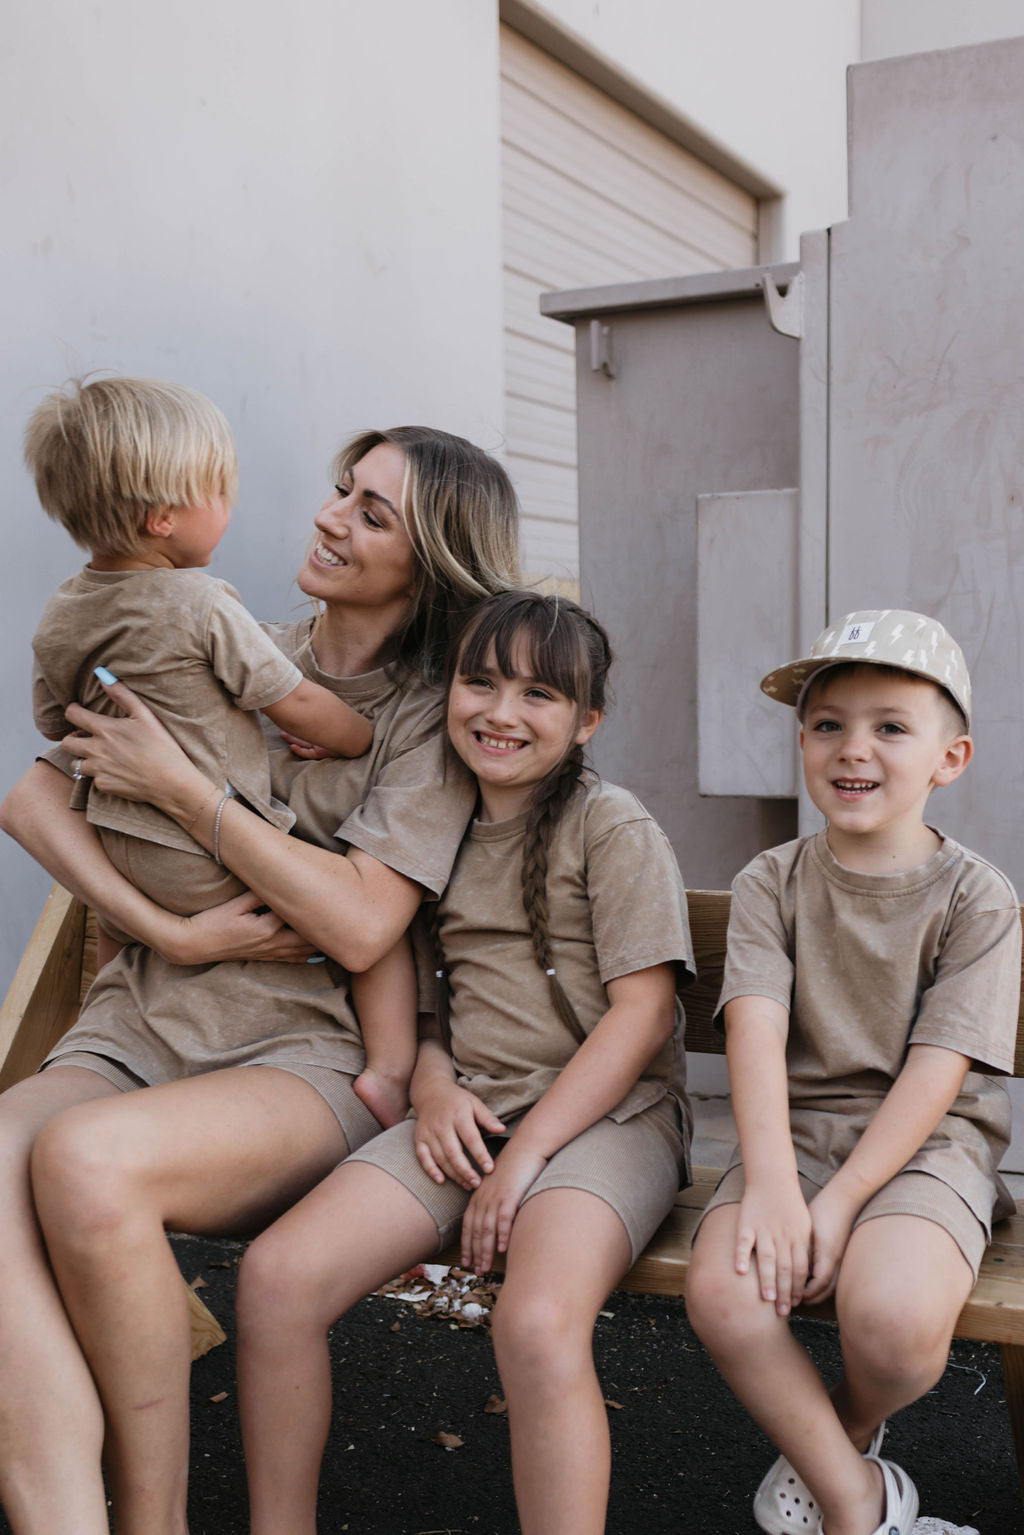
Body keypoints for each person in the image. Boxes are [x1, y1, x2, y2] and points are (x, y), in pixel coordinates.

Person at [0, 424, 518, 1535]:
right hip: (139, 1022)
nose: (330, 515)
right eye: (342, 490)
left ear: (430, 560)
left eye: (372, 512)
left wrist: (187, 795)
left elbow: (362, 915)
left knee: (86, 1163)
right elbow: (35, 797)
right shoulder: (219, 629)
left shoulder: (434, 715)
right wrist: (169, 933)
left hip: (302, 1055)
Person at [232, 590, 695, 1535]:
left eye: (539, 694)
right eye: (479, 682)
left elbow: (644, 1016)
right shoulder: (433, 823)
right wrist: (434, 1084)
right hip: (473, 1113)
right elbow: (434, 1008)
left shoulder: (611, 825)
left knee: (533, 1320)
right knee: (278, 1278)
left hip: (611, 1120)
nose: (501, 711)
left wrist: (523, 1165)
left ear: (587, 719)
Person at [685, 610, 1022, 1535]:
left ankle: (847, 1428)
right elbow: (754, 1037)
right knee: (724, 1290)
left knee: (898, 1326)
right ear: (802, 742)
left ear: (948, 758)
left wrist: (835, 1207)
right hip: (793, 1134)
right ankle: (858, 1505)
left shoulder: (977, 897)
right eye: (828, 723)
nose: (852, 747)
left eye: (890, 726)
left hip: (928, 1144)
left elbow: (938, 1070)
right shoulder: (772, 881)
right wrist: (780, 1189)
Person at [24, 376, 422, 1123]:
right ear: (164, 517)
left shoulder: (63, 613)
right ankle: (391, 1070)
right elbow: (297, 704)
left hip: (252, 1004)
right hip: (177, 954)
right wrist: (356, 733)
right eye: (223, 492)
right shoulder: (211, 612)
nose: (324, 516)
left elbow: (58, 722)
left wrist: (168, 780)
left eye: (369, 513)